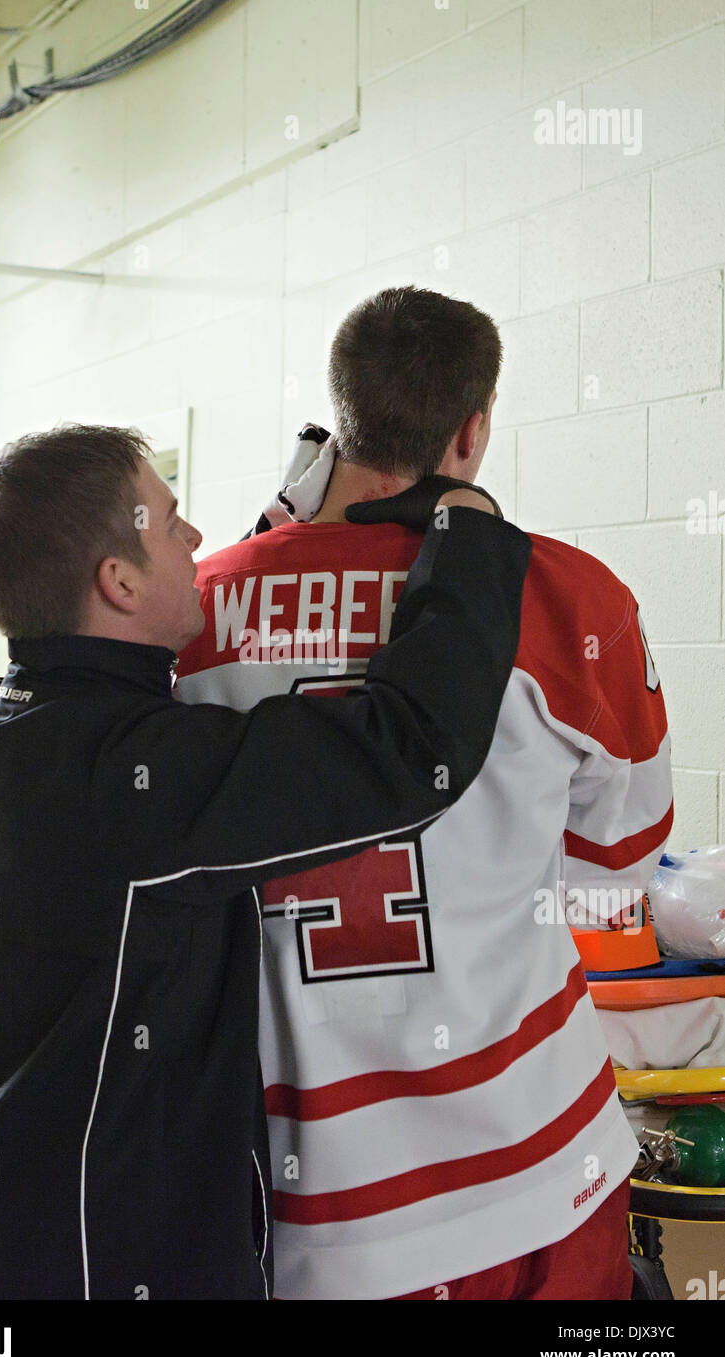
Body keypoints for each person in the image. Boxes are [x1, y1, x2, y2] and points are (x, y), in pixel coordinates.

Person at [0, 422, 529, 1300]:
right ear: (119, 582)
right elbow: (410, 751)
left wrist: (289, 517)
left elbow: (144, 663)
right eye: (173, 523)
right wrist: (468, 528)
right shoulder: (137, 783)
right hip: (104, 1253)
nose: (198, 540)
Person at [175, 287, 673, 1301]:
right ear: (474, 427)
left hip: (321, 1202)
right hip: (544, 1170)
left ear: (339, 407)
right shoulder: (572, 597)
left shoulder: (193, 612)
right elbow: (619, 860)